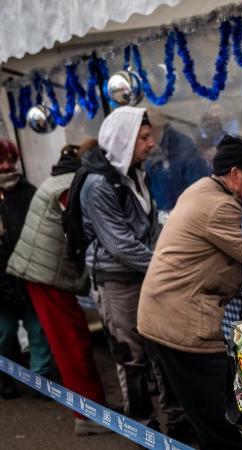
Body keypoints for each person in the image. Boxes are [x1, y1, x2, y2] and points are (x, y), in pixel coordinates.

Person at [137, 134, 242, 450]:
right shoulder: (219, 208)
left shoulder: (202, 189)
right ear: (235, 175)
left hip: (162, 314)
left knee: (204, 410)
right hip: (181, 324)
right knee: (221, 415)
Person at [79, 107, 184, 433]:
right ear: (123, 140)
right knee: (131, 356)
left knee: (160, 347)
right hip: (116, 282)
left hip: (144, 274)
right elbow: (120, 244)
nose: (151, 143)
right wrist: (164, 265)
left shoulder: (137, 172)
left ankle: (178, 419)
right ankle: (142, 425)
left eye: (150, 135)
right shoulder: (98, 185)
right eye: (143, 138)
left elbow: (149, 226)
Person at [6, 141, 111, 435]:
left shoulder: (60, 178)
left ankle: (91, 409)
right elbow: (84, 227)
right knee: (72, 343)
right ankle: (89, 415)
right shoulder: (73, 185)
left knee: (70, 340)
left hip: (42, 272)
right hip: (47, 274)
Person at [0, 139, 56, 400]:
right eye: (2, 161)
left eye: (11, 160)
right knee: (5, 332)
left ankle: (41, 378)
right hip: (1, 281)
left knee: (38, 329)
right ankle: (5, 378)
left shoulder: (28, 192)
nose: (7, 166)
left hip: (30, 275)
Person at [144, 109, 210, 212]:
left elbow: (197, 188)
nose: (146, 141)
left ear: (155, 129)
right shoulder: (156, 146)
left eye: (146, 135)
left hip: (182, 210)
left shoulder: (181, 147)